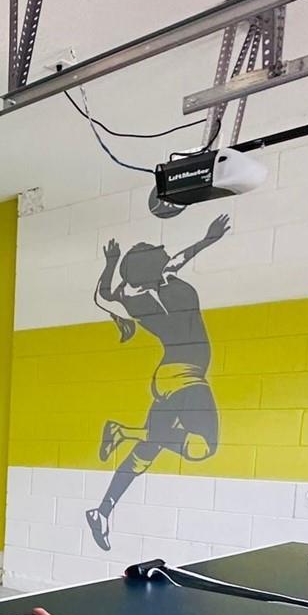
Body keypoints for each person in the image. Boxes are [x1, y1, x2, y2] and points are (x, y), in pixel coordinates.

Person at [84, 215, 228, 551]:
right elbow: (180, 258)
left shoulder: (130, 298)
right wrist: (208, 239)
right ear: (153, 267)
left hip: (168, 376)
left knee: (147, 451)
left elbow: (103, 294)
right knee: (203, 446)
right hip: (185, 376)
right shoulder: (168, 285)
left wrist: (110, 263)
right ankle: (122, 432)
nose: (165, 258)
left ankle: (102, 511)